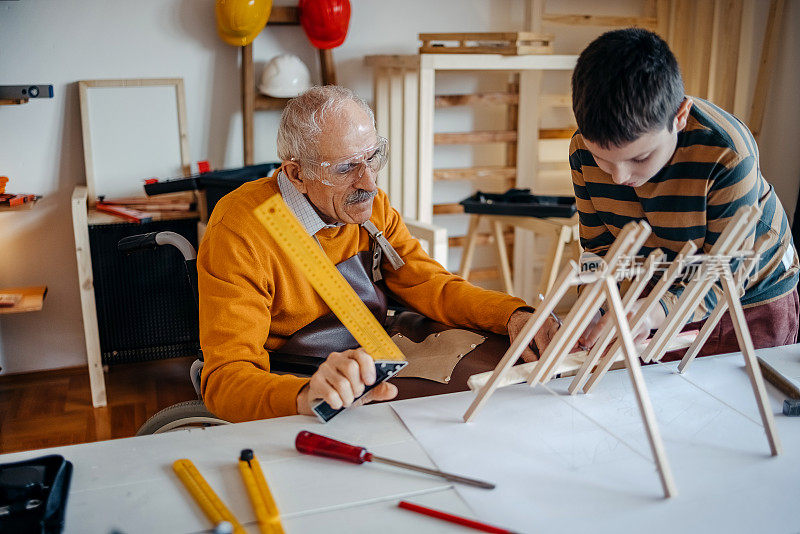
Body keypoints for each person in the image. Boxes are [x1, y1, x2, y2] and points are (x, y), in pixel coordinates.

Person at [197, 85, 557, 423]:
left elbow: (431, 285)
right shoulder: (240, 230)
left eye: (372, 158)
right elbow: (226, 378)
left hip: (371, 348)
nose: (369, 183)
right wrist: (304, 396)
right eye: (345, 168)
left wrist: (513, 314)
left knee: (501, 367)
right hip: (302, 373)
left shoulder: (367, 205)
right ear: (297, 174)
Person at [569, 28, 799, 356]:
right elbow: (601, 246)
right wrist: (593, 305)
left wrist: (652, 311)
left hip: (749, 295)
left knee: (740, 401)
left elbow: (727, 271)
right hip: (664, 284)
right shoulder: (581, 148)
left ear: (679, 117)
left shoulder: (726, 151)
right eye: (602, 159)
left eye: (639, 157)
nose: (619, 176)